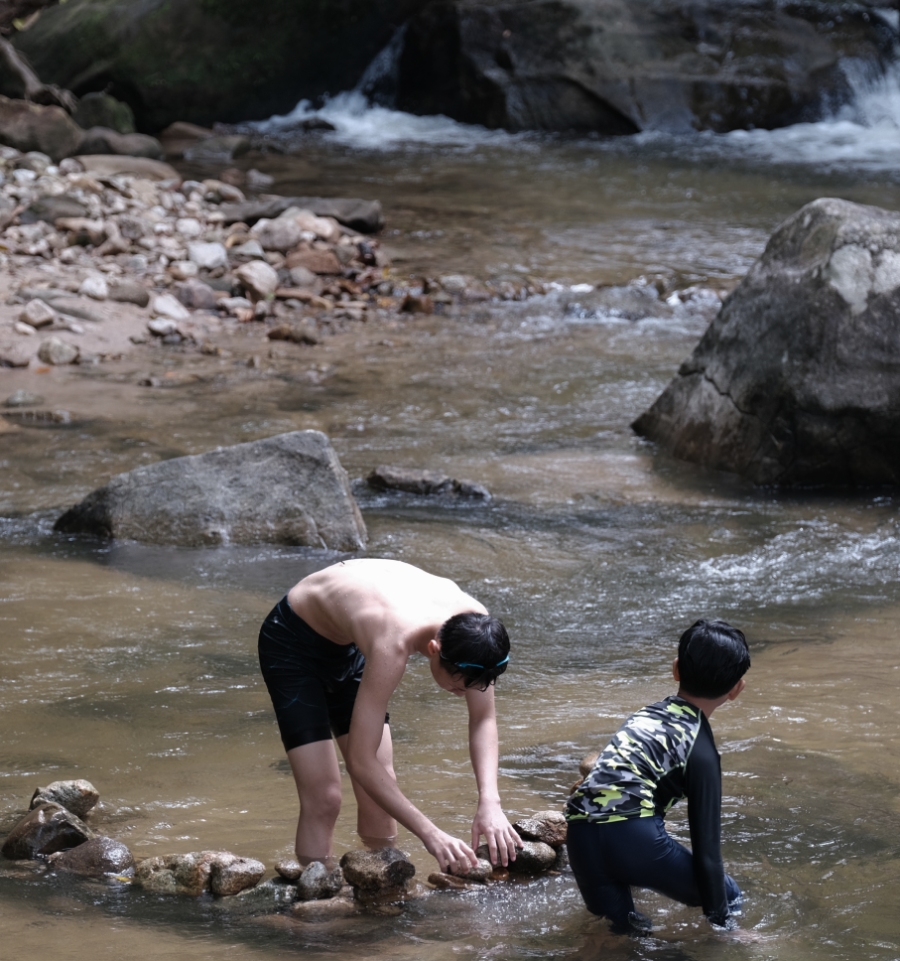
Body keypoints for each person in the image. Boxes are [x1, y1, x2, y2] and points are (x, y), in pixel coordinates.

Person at [257, 558, 521, 872]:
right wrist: (430, 834)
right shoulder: (392, 643)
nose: (465, 694)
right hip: (292, 642)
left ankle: (381, 884)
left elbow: (483, 719)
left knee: (380, 793)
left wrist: (490, 802)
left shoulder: (477, 635)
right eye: (458, 686)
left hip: (351, 636)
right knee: (324, 798)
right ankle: (316, 891)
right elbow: (360, 761)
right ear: (434, 649)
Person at [565, 619, 751, 935]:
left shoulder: (644, 716)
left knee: (627, 934)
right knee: (728, 894)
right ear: (736, 689)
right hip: (633, 840)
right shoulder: (701, 750)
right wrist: (723, 925)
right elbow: (707, 854)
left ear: (676, 669)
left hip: (580, 835)